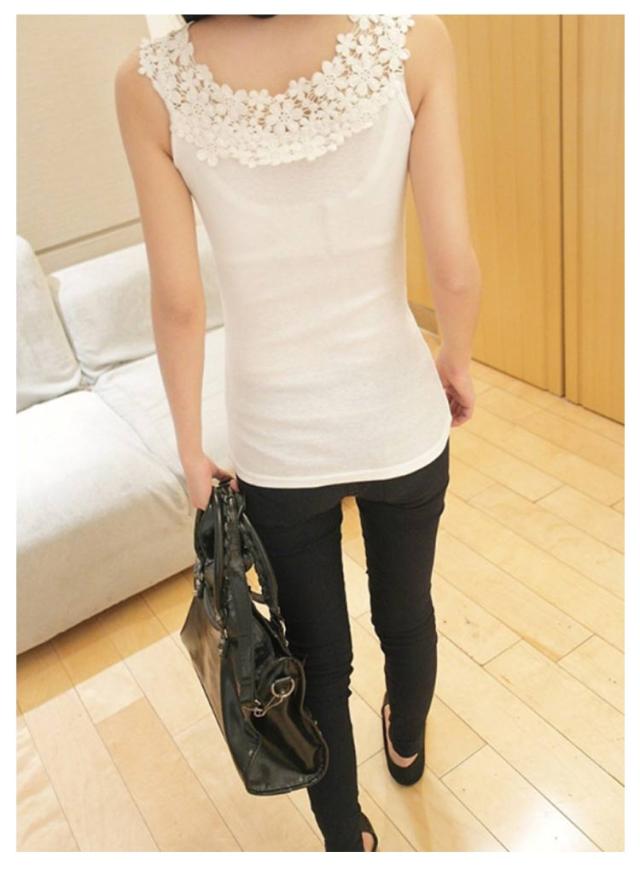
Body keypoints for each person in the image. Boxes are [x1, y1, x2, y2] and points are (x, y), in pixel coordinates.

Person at [115, 13, 481, 851]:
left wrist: (189, 448)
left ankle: (345, 839)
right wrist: (455, 360)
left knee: (313, 655)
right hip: (398, 411)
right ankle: (406, 741)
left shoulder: (146, 84)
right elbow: (454, 265)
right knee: (407, 611)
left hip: (274, 438)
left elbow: (177, 301)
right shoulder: (412, 38)